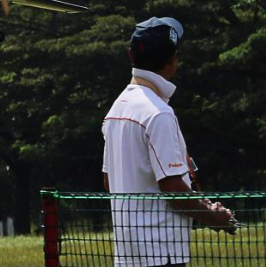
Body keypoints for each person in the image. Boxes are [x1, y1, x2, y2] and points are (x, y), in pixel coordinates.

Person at [101, 17, 236, 267]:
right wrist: (215, 218)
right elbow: (173, 188)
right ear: (172, 60)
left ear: (130, 55)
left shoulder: (117, 109)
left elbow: (110, 181)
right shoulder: (158, 113)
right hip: (162, 253)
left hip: (127, 254)